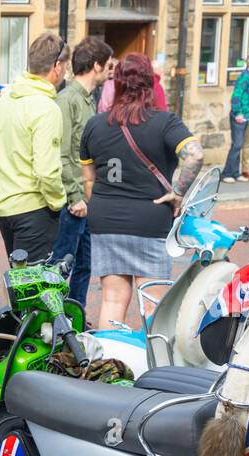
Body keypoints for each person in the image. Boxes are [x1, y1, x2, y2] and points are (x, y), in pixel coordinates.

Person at [80, 53, 204, 330]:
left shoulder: (95, 124)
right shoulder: (166, 122)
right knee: (153, 303)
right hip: (149, 218)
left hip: (105, 217)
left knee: (112, 300)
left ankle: (110, 365)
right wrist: (179, 193)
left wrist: (104, 205)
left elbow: (88, 179)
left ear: (118, 84)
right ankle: (152, 367)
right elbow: (194, 155)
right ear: (150, 83)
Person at [0, 32, 69, 260]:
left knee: (19, 284)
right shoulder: (46, 108)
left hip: (4, 207)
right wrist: (58, 202)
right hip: (33, 209)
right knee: (35, 289)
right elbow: (46, 170)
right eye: (65, 66)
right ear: (57, 66)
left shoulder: (6, 100)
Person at [51, 36, 112, 307]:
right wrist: (75, 196)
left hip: (89, 200)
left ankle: (74, 322)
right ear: (96, 65)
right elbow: (62, 153)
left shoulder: (88, 99)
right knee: (60, 268)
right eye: (108, 65)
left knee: (85, 266)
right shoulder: (67, 100)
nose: (110, 70)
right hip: (72, 203)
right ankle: (54, 327)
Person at [224, 53, 249, 182]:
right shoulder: (244, 77)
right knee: (237, 144)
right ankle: (226, 173)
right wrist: (238, 113)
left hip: (245, 115)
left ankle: (235, 173)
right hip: (239, 116)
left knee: (240, 144)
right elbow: (236, 95)